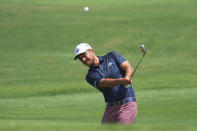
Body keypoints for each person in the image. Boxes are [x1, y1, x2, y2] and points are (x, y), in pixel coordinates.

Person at [74, 43, 137, 124]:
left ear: (92, 51)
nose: (83, 59)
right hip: (110, 107)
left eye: (84, 55)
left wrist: (127, 77)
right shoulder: (90, 76)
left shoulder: (112, 56)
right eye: (80, 58)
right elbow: (103, 83)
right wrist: (122, 81)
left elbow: (128, 67)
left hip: (127, 104)